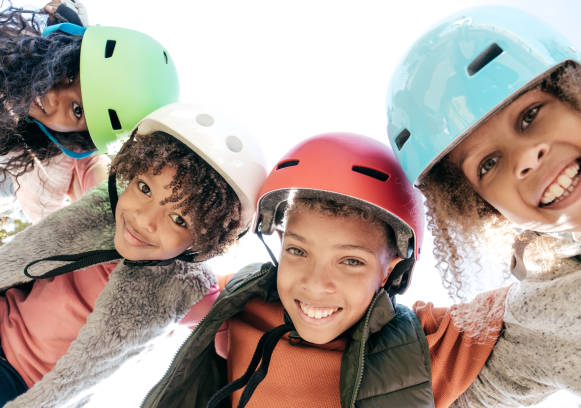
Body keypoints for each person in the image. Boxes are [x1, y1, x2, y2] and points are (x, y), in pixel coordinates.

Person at [141, 133, 509, 408]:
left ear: (390, 272)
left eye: (351, 261)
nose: (316, 284)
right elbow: (150, 281)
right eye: (298, 251)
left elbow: (542, 311)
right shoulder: (239, 298)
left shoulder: (421, 343)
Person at [386, 5, 581, 406]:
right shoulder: (542, 317)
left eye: (530, 115)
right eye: (488, 164)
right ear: (486, 208)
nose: (525, 159)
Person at [0, 103, 267, 407]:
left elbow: (229, 328)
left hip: (22, 381)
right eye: (144, 188)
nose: (144, 220)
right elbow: (86, 157)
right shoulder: (103, 207)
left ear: (202, 242)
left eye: (179, 219)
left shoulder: (185, 290)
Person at [0, 5, 179, 222]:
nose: (52, 95)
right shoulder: (19, 49)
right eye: (71, 74)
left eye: (77, 110)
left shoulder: (49, 170)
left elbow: (97, 182)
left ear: (79, 139)